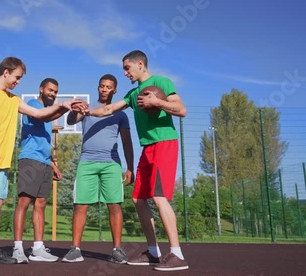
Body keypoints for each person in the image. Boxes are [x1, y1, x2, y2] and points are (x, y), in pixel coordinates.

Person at [0, 57, 87, 267]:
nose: (18, 81)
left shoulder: (13, 100)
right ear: (6, 73)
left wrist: (63, 106)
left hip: (2, 161)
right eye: (17, 77)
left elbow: (39, 113)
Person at [85, 50, 189, 271]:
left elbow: (181, 110)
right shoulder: (133, 94)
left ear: (140, 64)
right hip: (147, 147)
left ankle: (177, 254)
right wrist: (87, 111)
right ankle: (153, 252)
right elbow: (110, 108)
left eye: (127, 68)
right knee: (138, 199)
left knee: (159, 197)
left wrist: (157, 102)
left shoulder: (161, 82)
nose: (124, 73)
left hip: (164, 143)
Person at [61, 74, 134, 264]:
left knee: (114, 205)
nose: (104, 89)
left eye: (108, 87)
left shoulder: (121, 114)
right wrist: (74, 110)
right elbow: (70, 121)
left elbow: (127, 142)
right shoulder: (87, 107)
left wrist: (130, 167)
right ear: (98, 88)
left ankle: (117, 250)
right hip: (87, 162)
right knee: (80, 205)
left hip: (111, 164)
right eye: (101, 86)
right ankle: (75, 249)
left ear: (114, 90)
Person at [12, 78, 62, 264]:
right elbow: (43, 116)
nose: (53, 94)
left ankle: (38, 248)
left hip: (43, 161)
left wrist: (52, 163)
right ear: (41, 89)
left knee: (41, 203)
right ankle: (17, 248)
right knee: (24, 202)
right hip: (30, 159)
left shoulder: (49, 112)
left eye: (56, 91)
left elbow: (43, 142)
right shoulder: (33, 104)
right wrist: (63, 107)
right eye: (50, 90)